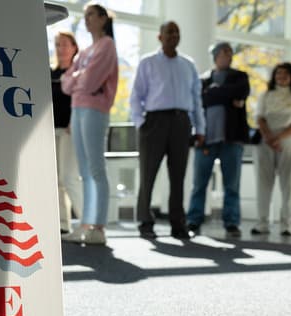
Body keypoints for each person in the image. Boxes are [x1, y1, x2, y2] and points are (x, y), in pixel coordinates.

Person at [130, 21, 205, 240]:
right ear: (160, 37)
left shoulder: (188, 65)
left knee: (178, 176)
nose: (174, 35)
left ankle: (178, 224)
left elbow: (196, 99)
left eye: (177, 31)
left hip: (182, 123)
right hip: (154, 123)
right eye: (169, 31)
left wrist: (200, 128)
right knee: (148, 173)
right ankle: (145, 221)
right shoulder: (148, 62)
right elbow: (136, 96)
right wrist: (140, 123)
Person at [61, 2, 118, 245]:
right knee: (84, 171)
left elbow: (91, 82)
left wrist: (76, 79)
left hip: (95, 110)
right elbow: (66, 83)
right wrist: (77, 78)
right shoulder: (85, 52)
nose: (87, 20)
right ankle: (85, 224)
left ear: (103, 19)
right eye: (85, 16)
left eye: (91, 15)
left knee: (96, 168)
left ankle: (98, 227)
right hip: (77, 109)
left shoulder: (107, 46)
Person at [185, 42, 249, 238]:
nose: (228, 56)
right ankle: (194, 221)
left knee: (232, 185)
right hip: (205, 139)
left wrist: (215, 93)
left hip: (232, 139)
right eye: (223, 53)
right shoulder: (202, 79)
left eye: (230, 53)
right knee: (199, 184)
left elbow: (239, 92)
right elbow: (198, 100)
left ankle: (231, 222)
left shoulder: (240, 77)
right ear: (215, 56)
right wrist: (225, 95)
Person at [252, 62, 291, 237]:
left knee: (289, 183)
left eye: (285, 74)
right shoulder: (266, 96)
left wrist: (279, 138)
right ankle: (262, 222)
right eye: (278, 73)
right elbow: (259, 117)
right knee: (263, 182)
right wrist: (269, 137)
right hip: (266, 141)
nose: (281, 77)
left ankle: (286, 223)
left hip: (288, 142)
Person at [51, 31, 83, 234]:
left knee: (69, 177)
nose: (61, 48)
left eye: (65, 44)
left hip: (70, 130)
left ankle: (88, 222)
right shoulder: (49, 73)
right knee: (55, 180)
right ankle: (63, 224)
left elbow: (81, 100)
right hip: (51, 130)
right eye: (57, 45)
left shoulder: (78, 73)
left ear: (74, 48)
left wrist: (74, 120)